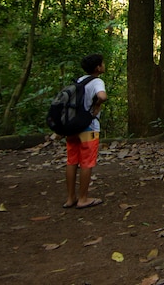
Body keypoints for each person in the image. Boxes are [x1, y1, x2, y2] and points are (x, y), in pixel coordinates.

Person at [63, 53, 107, 209]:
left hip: (72, 126)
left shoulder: (79, 81)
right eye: (102, 63)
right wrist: (97, 105)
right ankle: (83, 198)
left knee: (72, 161)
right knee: (86, 162)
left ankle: (70, 198)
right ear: (98, 68)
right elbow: (102, 96)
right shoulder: (97, 81)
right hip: (89, 127)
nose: (104, 65)